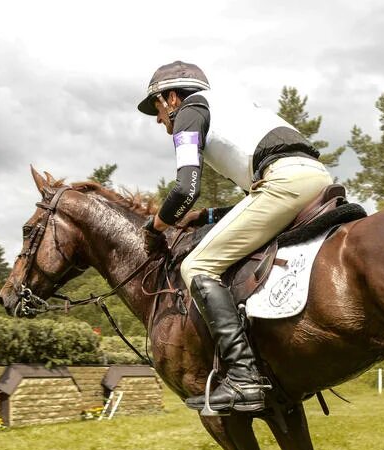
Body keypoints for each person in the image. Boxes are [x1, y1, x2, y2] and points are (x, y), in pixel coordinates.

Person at [137, 61, 333, 414]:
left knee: (197, 265)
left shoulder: (188, 112)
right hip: (316, 177)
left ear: (170, 98)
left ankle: (244, 378)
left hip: (284, 181)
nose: (158, 120)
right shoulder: (232, 107)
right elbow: (252, 198)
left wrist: (157, 226)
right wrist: (206, 217)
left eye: (157, 108)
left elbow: (185, 188)